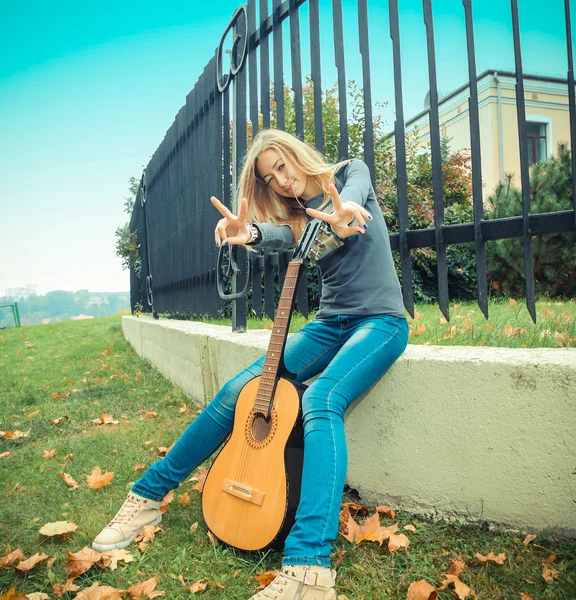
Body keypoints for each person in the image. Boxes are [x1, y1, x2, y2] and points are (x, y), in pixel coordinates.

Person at [93, 129, 408, 600]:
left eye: (283, 165)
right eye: (269, 177)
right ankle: (147, 496)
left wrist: (345, 214)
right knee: (237, 391)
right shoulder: (298, 215)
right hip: (328, 325)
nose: (281, 180)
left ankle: (309, 569)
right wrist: (251, 233)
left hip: (380, 323)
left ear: (297, 155)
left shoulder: (349, 173)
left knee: (322, 400)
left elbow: (352, 207)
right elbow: (284, 234)